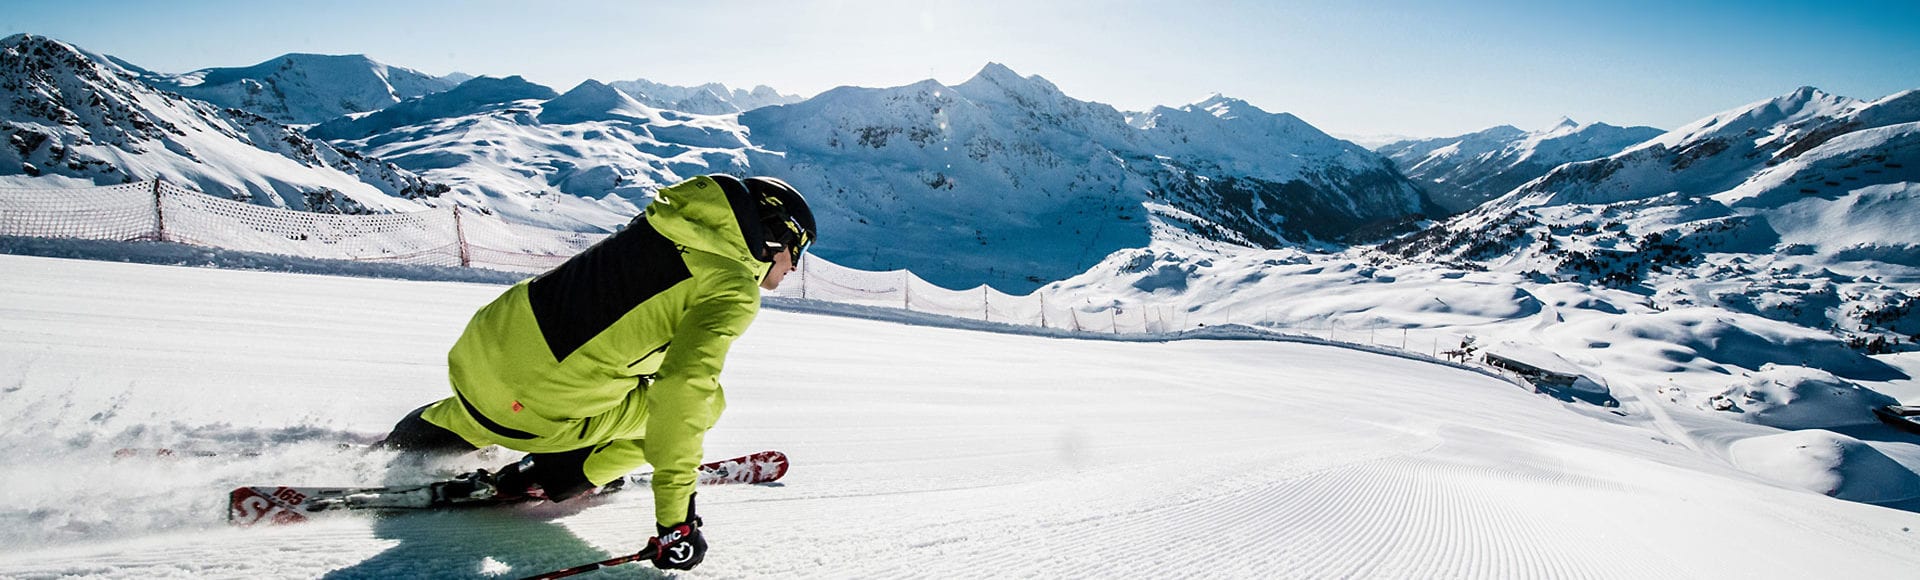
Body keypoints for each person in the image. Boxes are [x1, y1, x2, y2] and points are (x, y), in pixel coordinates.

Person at [374, 174, 815, 571]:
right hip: (532, 410)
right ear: (775, 239)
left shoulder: (662, 224)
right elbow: (684, 390)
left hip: (477, 355)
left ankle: (402, 443)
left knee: (506, 393)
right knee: (707, 404)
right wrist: (676, 521)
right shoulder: (731, 286)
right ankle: (554, 478)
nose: (794, 267)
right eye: (797, 251)